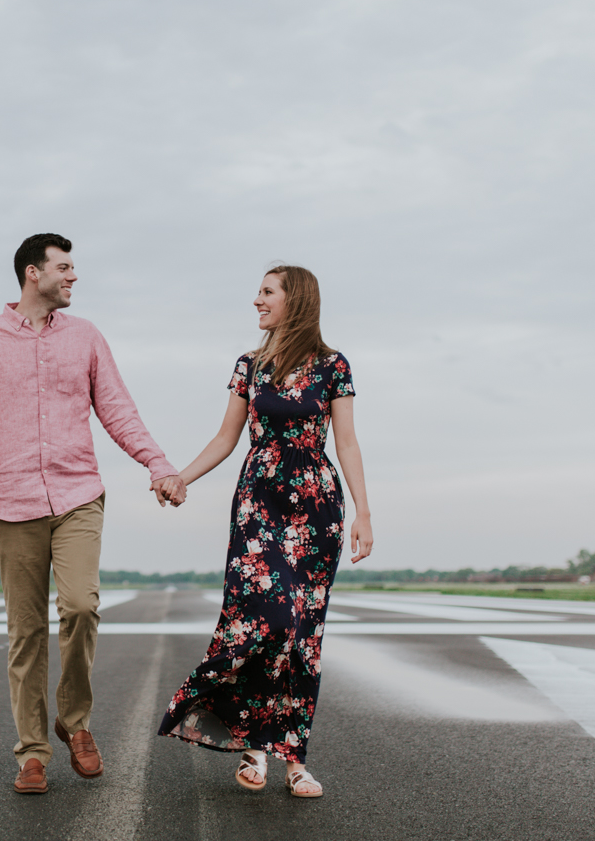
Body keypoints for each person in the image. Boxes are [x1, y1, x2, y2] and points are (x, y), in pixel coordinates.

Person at [0, 232, 188, 795]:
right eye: (65, 268)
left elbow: (118, 410)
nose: (74, 277)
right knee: (25, 632)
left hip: (78, 495)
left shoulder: (87, 338)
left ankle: (73, 721)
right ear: (34, 273)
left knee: (80, 606)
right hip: (11, 504)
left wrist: (159, 465)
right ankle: (32, 751)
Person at [157, 264, 372, 798]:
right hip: (259, 504)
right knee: (264, 620)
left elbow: (346, 442)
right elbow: (227, 436)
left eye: (267, 292)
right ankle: (251, 738)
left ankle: (293, 757)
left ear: (295, 300)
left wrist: (363, 513)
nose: (256, 300)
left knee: (302, 635)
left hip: (316, 507)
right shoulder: (249, 365)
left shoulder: (332, 366)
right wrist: (181, 476)